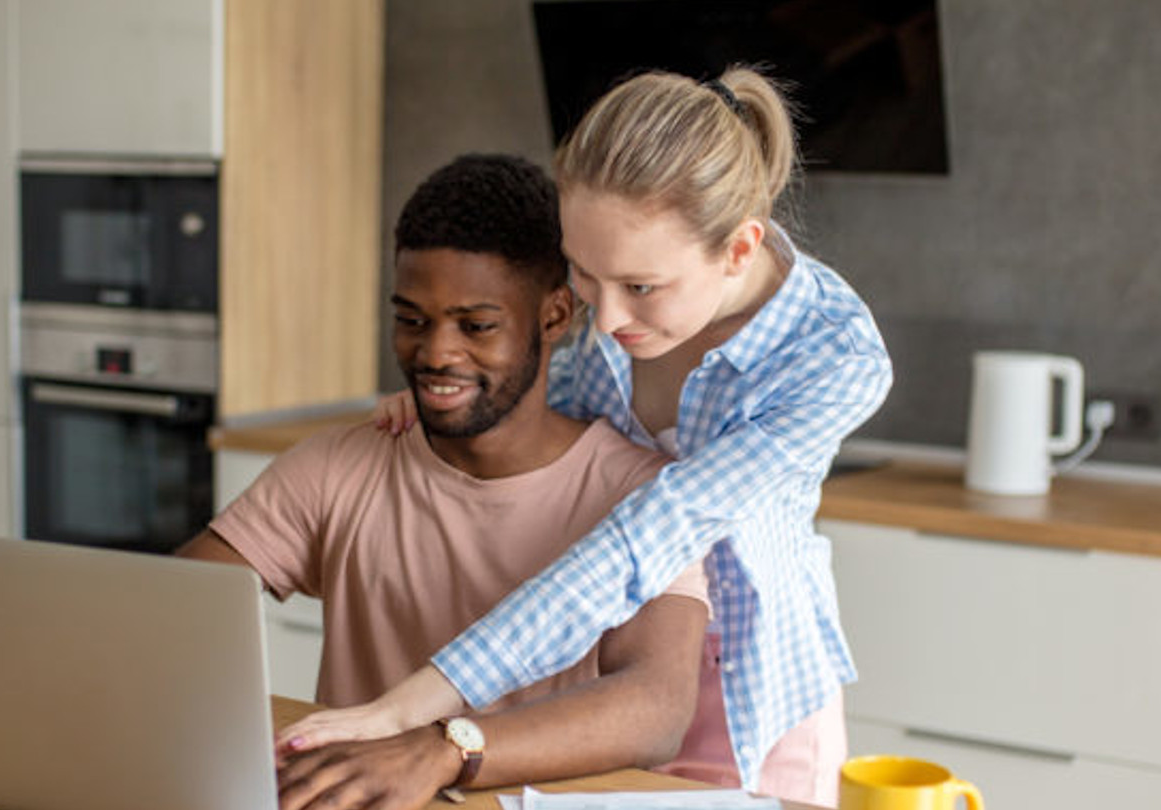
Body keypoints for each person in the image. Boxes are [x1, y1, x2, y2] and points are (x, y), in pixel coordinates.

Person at [282, 68, 894, 805]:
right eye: (584, 274)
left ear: (738, 250)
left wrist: (412, 706)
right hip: (609, 674)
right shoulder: (618, 302)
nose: (601, 323)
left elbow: (647, 534)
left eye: (639, 287)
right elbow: (558, 403)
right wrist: (454, 391)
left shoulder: (835, 356)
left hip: (750, 697)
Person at [177, 154, 717, 809]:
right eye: (411, 320)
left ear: (555, 316)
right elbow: (170, 610)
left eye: (476, 326)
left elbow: (655, 709)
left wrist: (443, 748)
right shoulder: (340, 465)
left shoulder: (639, 492)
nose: (435, 353)